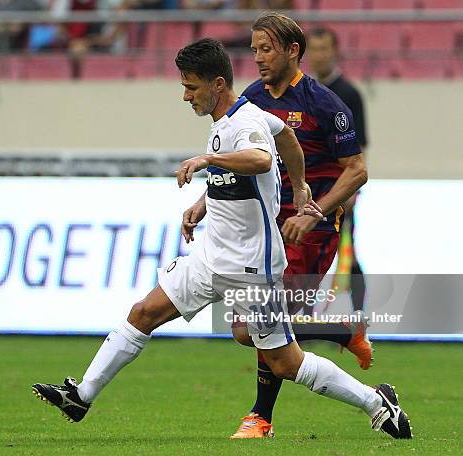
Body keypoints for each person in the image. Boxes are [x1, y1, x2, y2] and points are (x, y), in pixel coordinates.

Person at [31, 38, 411, 441]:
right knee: (144, 312)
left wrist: (208, 160)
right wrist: (236, 195)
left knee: (285, 363)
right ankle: (82, 396)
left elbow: (262, 158)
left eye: (191, 87)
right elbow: (286, 138)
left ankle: (376, 403)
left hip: (253, 268)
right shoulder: (245, 114)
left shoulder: (244, 123)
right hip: (211, 258)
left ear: (216, 83)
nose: (185, 95)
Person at [228, 13, 374, 439]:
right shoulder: (253, 97)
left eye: (266, 48)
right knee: (248, 329)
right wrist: (204, 201)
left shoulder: (325, 103)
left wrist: (314, 213)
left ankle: (260, 417)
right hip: (268, 226)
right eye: (254, 49)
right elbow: (245, 157)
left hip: (312, 230)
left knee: (265, 325)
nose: (257, 58)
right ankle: (338, 330)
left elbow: (357, 170)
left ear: (293, 51)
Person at [307, 26, 368, 315]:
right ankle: (304, 322)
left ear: (335, 52)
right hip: (312, 191)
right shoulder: (304, 92)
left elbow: (360, 146)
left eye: (324, 49)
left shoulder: (349, 94)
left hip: (339, 190)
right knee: (308, 256)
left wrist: (351, 191)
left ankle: (359, 317)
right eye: (314, 49)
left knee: (348, 253)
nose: (319, 55)